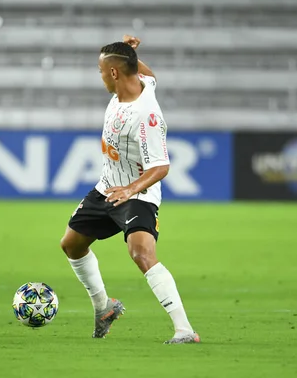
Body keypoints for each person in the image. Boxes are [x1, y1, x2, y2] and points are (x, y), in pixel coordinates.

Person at [60, 35, 200, 344]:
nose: (100, 77)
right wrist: (132, 55)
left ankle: (184, 329)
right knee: (71, 244)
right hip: (107, 187)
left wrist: (131, 188)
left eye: (101, 71)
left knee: (141, 253)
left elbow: (161, 166)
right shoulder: (140, 83)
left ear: (113, 74)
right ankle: (104, 307)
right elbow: (148, 75)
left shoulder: (146, 116)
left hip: (136, 192)